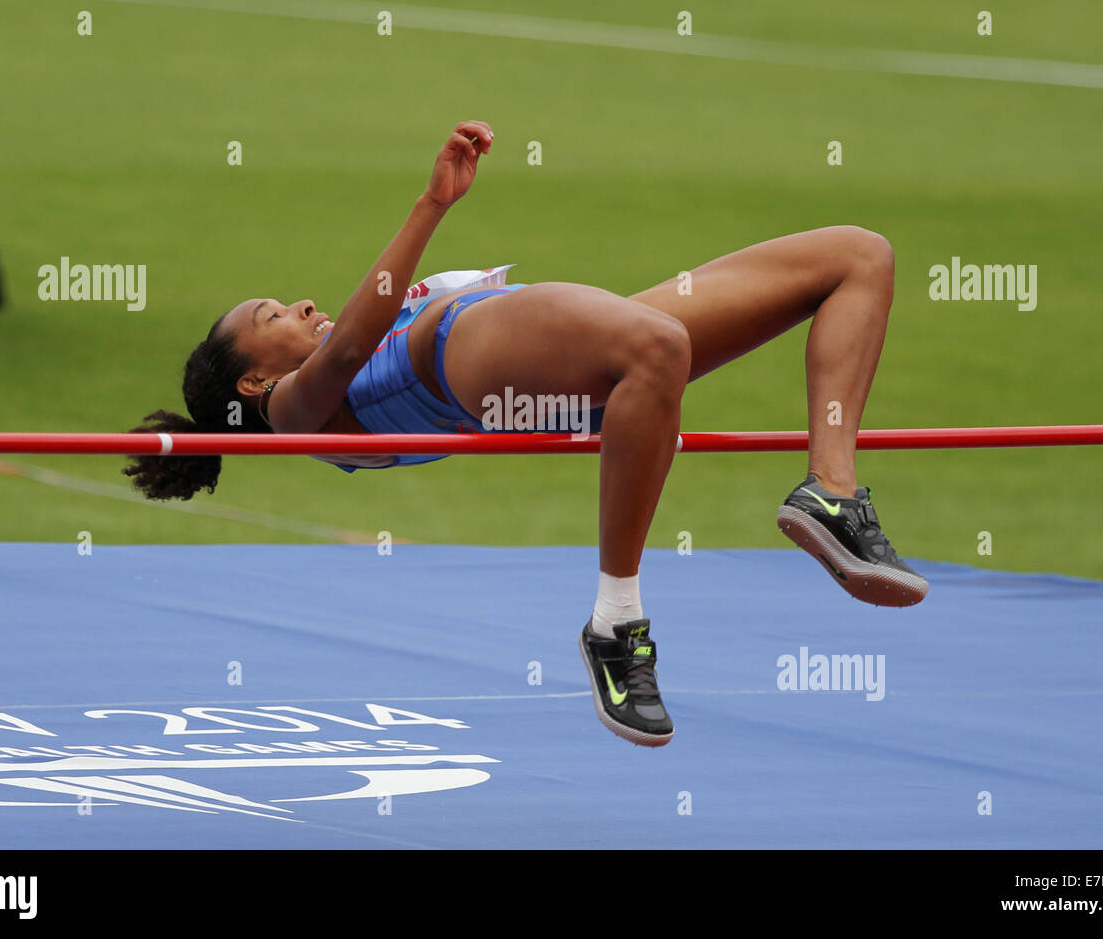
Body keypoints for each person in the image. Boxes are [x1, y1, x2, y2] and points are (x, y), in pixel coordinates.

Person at [125, 120, 927, 748]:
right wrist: (432, 203)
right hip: (470, 352)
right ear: (252, 383)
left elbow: (353, 338)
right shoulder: (292, 415)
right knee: (659, 345)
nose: (300, 304)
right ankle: (616, 622)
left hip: (550, 363)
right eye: (273, 315)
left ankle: (832, 492)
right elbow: (348, 345)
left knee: (857, 257)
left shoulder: (308, 396)